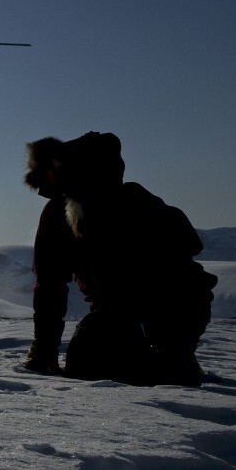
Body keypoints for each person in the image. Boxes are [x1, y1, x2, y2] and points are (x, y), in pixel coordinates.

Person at [22, 131, 216, 386]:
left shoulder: (136, 202)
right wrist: (44, 347)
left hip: (166, 309)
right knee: (89, 364)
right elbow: (50, 284)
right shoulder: (58, 215)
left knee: (167, 370)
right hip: (108, 318)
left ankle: (176, 358)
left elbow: (187, 260)